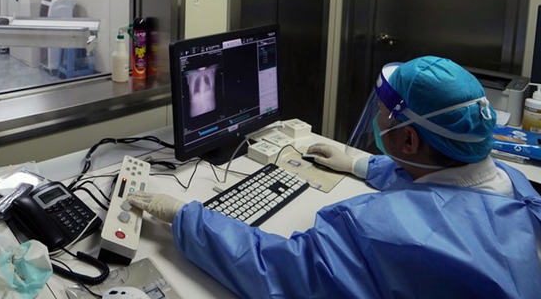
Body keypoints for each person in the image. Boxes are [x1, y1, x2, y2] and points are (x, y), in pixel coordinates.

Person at [129, 56, 541, 298]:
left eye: (384, 111)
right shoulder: (516, 189)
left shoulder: (378, 229)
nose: (378, 116)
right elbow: (446, 191)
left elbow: (274, 269)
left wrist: (185, 216)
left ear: (410, 140)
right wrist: (360, 164)